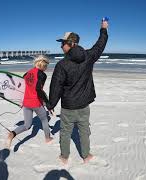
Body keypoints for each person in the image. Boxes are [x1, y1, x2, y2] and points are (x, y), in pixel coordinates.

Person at [46, 19, 109, 164]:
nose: (61, 46)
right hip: (84, 105)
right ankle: (86, 156)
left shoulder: (62, 65)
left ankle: (64, 157)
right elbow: (100, 44)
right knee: (84, 131)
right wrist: (104, 29)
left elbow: (55, 88)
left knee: (66, 132)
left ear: (71, 43)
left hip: (68, 107)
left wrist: (50, 105)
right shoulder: (89, 56)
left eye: (63, 43)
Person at [6, 55, 53, 148]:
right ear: (43, 64)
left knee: (27, 125)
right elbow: (39, 90)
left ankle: (12, 134)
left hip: (26, 102)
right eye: (46, 65)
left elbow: (22, 87)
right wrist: (48, 103)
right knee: (44, 120)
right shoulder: (42, 75)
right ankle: (48, 138)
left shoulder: (27, 73)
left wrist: (20, 101)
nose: (46, 67)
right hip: (36, 102)